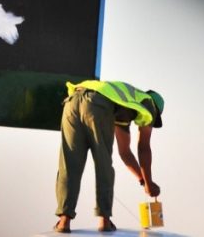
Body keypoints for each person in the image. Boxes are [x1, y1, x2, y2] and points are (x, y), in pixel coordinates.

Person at [53, 79, 165, 233]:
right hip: (98, 103)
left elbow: (125, 152)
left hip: (72, 102)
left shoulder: (123, 106)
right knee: (103, 162)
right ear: (156, 111)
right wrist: (150, 182)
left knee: (69, 163)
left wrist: (142, 180)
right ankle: (104, 220)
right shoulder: (149, 104)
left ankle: (64, 221)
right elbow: (143, 148)